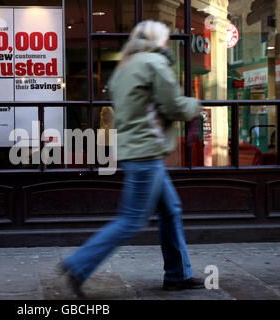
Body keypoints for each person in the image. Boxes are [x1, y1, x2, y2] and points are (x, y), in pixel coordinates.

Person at [58, 20, 204, 298]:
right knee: (132, 220)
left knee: (170, 210)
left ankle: (177, 274)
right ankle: (77, 264)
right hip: (146, 152)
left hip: (136, 150)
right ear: (157, 40)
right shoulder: (154, 63)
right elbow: (172, 106)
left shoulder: (124, 66)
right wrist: (194, 104)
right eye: (165, 37)